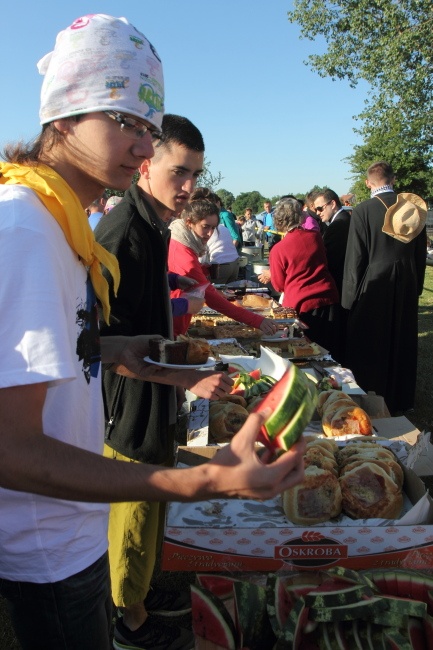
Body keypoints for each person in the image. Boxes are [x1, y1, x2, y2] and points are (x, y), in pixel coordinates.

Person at [0, 14, 306, 650]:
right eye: (125, 120)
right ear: (65, 114)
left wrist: (117, 349)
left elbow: (53, 358)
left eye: (148, 126)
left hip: (71, 531)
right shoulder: (28, 230)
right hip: (49, 549)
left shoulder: (62, 224)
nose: (144, 145)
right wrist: (198, 481)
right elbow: (11, 449)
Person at [95, 113, 233, 650]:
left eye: (196, 175)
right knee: (132, 508)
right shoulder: (124, 231)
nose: (190, 187)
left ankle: (142, 595)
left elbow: (145, 297)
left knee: (153, 499)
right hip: (127, 408)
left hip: (156, 396)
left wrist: (174, 280)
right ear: (146, 163)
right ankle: (128, 622)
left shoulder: (152, 226)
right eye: (180, 173)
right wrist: (188, 379)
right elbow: (110, 349)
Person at [341, 161, 427, 414]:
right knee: (401, 338)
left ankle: (372, 395)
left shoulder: (364, 210)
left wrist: (349, 298)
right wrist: (417, 284)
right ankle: (401, 398)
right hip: (406, 280)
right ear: (394, 179)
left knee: (371, 340)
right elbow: (420, 253)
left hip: (375, 281)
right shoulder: (412, 208)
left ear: (368, 182)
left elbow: (355, 257)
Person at [168, 195, 278, 337]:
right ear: (189, 223)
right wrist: (258, 321)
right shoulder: (184, 254)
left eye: (213, 228)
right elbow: (214, 301)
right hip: (174, 325)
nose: (210, 233)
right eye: (205, 226)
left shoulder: (180, 239)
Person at [268, 198, 342, 360]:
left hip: (303, 306)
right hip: (328, 299)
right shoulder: (315, 237)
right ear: (300, 216)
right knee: (330, 352)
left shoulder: (278, 250)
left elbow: (279, 285)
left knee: (308, 354)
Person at [313, 188, 351, 299]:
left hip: (340, 283)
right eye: (316, 209)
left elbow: (329, 259)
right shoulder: (344, 218)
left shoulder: (338, 225)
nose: (318, 213)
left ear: (333, 203)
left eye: (320, 208)